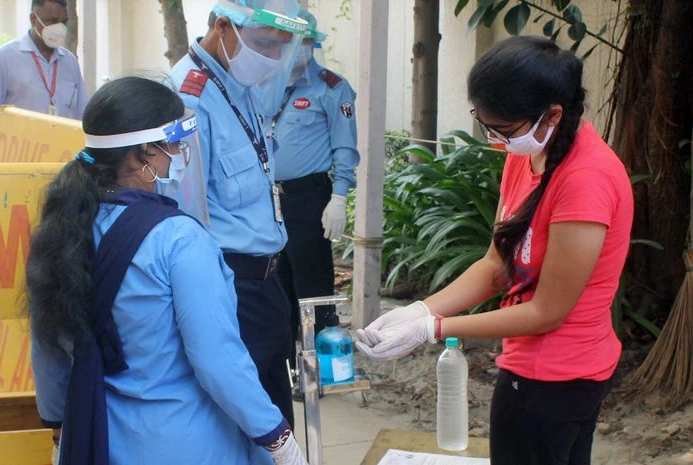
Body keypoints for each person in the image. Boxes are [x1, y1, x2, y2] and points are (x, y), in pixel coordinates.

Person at [355, 36, 633, 465]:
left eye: (503, 131)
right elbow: (496, 264)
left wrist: (435, 330)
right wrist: (422, 310)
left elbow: (548, 312)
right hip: (531, 367)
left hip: (557, 380)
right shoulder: (528, 152)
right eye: (485, 126)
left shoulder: (585, 181)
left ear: (553, 114)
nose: (494, 141)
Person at [26, 76, 307, 465]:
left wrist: (59, 425)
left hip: (95, 436)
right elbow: (217, 360)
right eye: (174, 145)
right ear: (144, 154)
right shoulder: (180, 240)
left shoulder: (61, 230)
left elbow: (48, 346)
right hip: (184, 442)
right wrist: (276, 436)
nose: (179, 154)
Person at [169, 0, 308, 429]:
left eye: (281, 47)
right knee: (241, 426)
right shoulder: (188, 98)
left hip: (266, 283)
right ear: (224, 27)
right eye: (264, 44)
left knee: (273, 414)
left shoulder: (238, 85)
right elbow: (185, 216)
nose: (271, 58)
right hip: (230, 288)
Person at [272, 9, 358, 356]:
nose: (294, 49)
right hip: (268, 201)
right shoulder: (266, 85)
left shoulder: (332, 88)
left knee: (312, 287)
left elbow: (344, 147)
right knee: (277, 284)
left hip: (308, 198)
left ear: (311, 44)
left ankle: (317, 367)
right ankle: (286, 364)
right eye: (286, 42)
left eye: (302, 42)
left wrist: (338, 198)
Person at [0, 0, 87, 118]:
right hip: (21, 136)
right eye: (52, 21)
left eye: (63, 22)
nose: (60, 28)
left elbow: (81, 113)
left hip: (62, 136)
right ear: (33, 19)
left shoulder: (70, 62)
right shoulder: (4, 57)